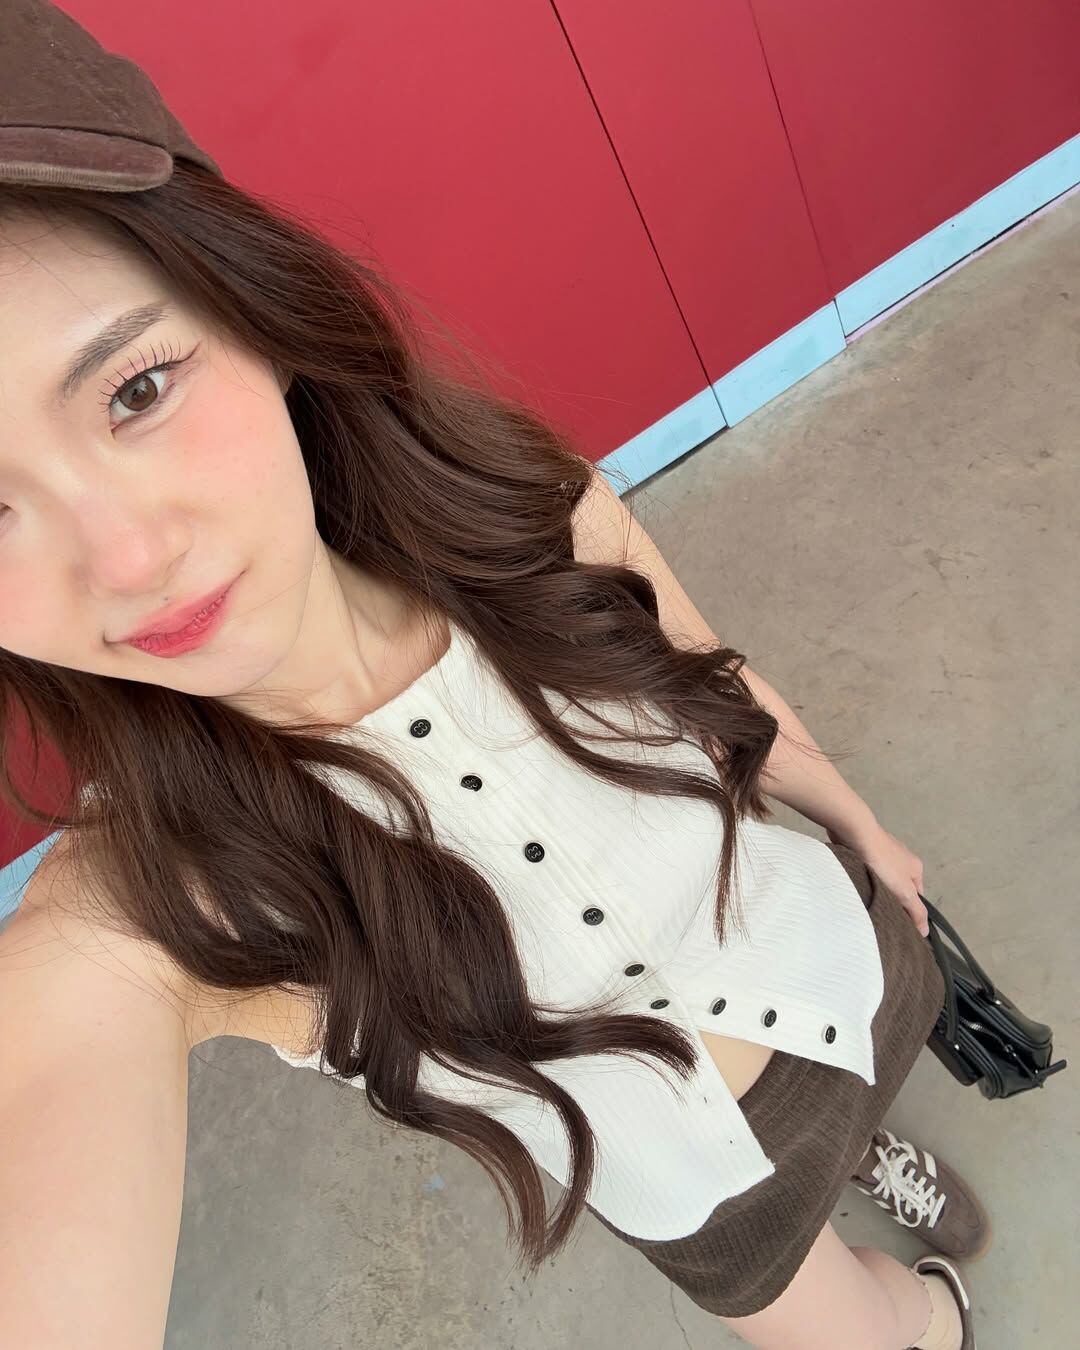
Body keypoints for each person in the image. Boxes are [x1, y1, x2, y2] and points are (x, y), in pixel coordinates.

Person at [0, 5, 983, 1348]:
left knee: (870, 1068)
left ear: (253, 316)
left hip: (829, 955)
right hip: (694, 1184)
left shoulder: (518, 511)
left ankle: (866, 1146)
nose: (128, 559)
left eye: (135, 392)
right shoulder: (155, 900)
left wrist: (854, 813)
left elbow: (714, 681)